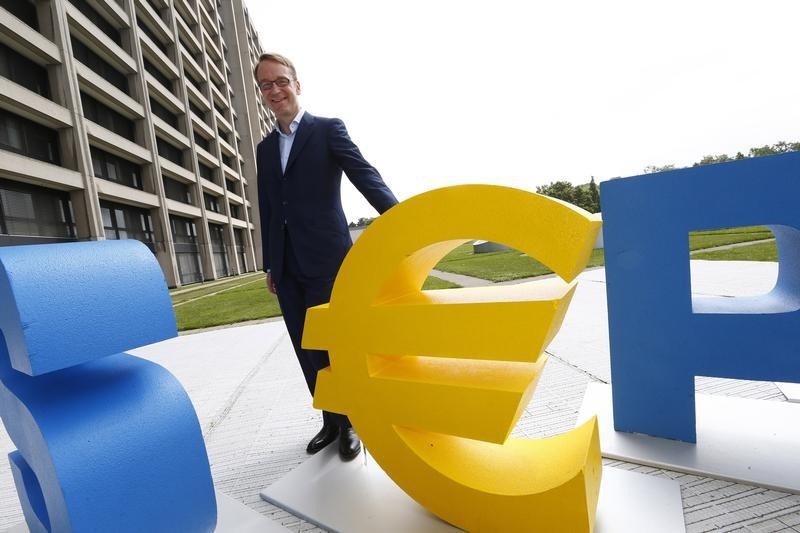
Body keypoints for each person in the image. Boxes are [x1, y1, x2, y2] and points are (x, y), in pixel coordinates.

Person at [253, 53, 398, 461]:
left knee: (334, 346)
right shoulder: (265, 150)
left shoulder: (327, 130)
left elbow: (363, 173)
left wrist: (399, 218)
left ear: (297, 85)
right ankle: (331, 420)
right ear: (261, 94)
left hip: (328, 261)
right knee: (306, 347)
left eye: (281, 81)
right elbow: (268, 207)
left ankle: (351, 422)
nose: (275, 90)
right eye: (266, 85)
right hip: (287, 266)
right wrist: (270, 263)